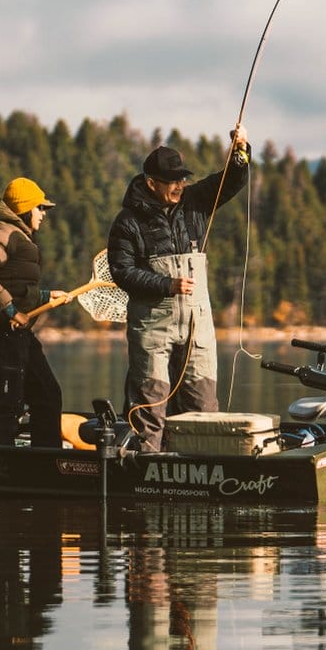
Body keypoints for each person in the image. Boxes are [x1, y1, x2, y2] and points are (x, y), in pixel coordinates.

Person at [107, 126, 251, 452]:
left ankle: (205, 466)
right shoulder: (128, 221)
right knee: (150, 405)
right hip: (152, 326)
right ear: (151, 183)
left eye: (182, 179)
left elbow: (231, 180)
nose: (180, 186)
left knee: (203, 405)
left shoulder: (195, 202)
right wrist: (166, 284)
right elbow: (122, 272)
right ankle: (145, 465)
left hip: (198, 326)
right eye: (172, 181)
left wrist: (240, 150)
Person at [0, 177, 71, 447]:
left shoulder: (19, 235)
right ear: (25, 208)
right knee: (8, 406)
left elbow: (15, 285)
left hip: (16, 333)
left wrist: (46, 296)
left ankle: (45, 462)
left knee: (47, 394)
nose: (44, 214)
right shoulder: (3, 232)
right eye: (40, 208)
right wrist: (11, 310)